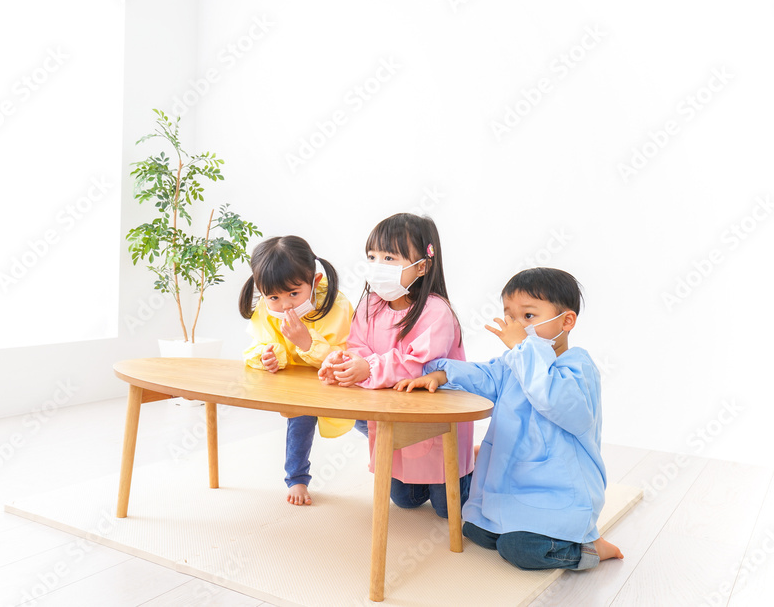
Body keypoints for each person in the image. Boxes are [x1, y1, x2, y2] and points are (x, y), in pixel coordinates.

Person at [395, 267, 623, 570]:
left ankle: (589, 549)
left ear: (566, 321)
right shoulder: (515, 362)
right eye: (511, 316)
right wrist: (442, 374)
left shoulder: (578, 367)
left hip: (556, 493)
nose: (516, 326)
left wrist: (522, 348)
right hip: (513, 481)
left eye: (528, 316)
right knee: (475, 529)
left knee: (519, 549)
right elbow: (486, 375)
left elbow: (552, 399)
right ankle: (510, 519)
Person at [319, 213, 473, 518]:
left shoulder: (436, 311)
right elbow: (357, 346)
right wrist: (342, 363)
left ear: (422, 266)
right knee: (405, 500)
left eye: (389, 258)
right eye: (372, 257)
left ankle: (476, 466)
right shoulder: (370, 305)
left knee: (448, 510)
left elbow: (419, 364)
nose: (378, 266)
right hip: (392, 412)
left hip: (432, 419)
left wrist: (369, 368)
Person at [239, 236, 354, 506]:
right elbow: (255, 347)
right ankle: (296, 478)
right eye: (274, 297)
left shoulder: (336, 305)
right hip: (299, 386)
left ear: (314, 281)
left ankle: (390, 456)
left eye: (293, 293)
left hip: (339, 381)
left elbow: (345, 355)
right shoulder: (266, 310)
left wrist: (306, 343)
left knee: (367, 421)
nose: (285, 305)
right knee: (299, 424)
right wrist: (268, 357)